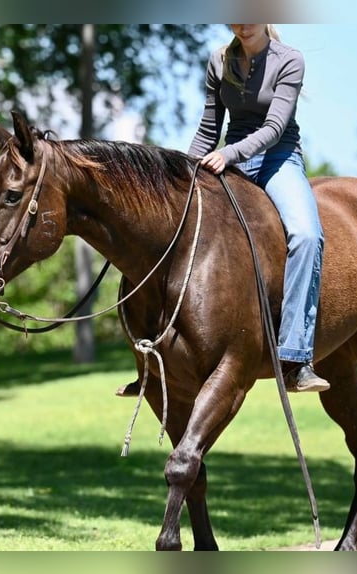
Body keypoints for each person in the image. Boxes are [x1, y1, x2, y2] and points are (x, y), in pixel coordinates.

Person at [116, 24, 328, 397]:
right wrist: (180, 174)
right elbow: (209, 127)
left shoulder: (290, 60)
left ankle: (296, 358)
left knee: (307, 235)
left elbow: (275, 128)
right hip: (226, 160)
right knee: (166, 227)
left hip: (277, 159)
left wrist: (227, 155)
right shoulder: (219, 60)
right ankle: (149, 361)